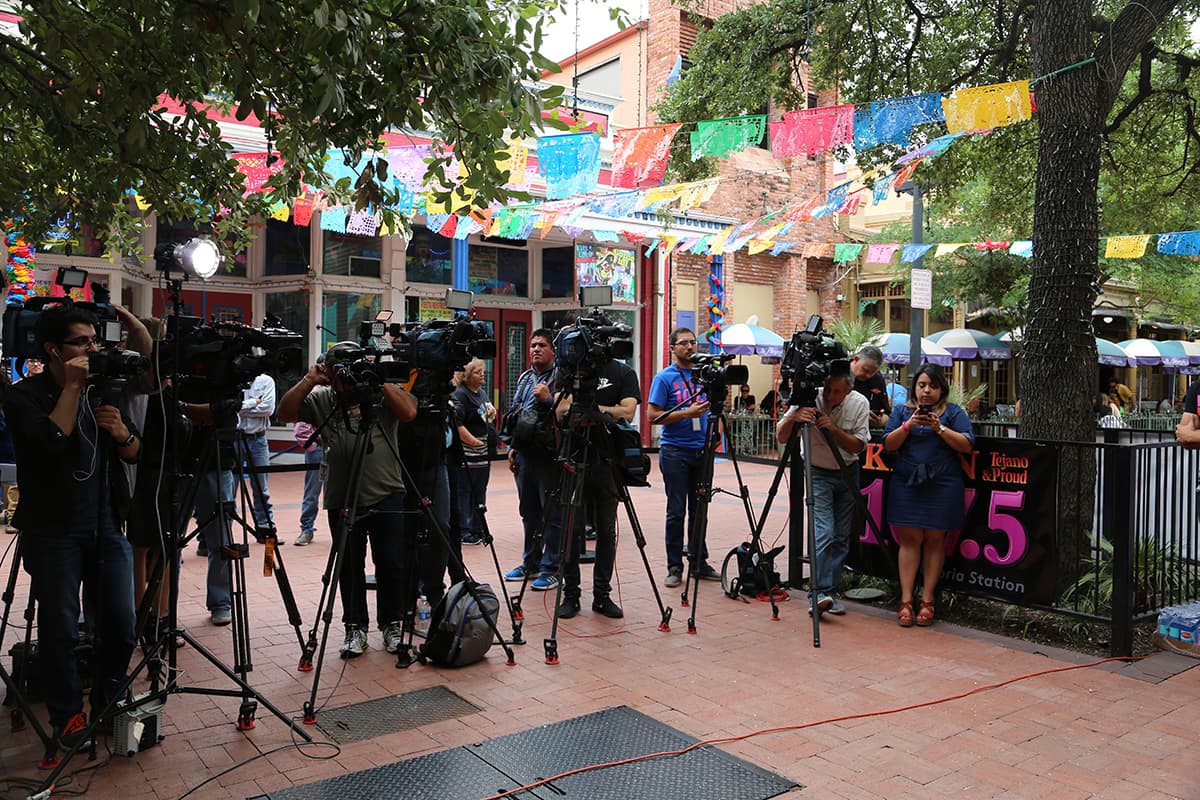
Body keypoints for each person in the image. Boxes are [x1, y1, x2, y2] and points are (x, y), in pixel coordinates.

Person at [7, 304, 141, 748]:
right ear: (53, 350)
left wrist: (122, 434)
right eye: (81, 342)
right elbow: (47, 444)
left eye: (94, 340)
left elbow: (134, 452)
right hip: (52, 530)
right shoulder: (24, 395)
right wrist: (73, 387)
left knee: (121, 621)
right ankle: (67, 716)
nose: (93, 349)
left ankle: (107, 700)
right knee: (61, 628)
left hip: (105, 523)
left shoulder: (107, 391)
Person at [277, 342, 418, 657]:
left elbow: (409, 412)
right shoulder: (324, 399)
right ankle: (355, 627)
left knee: (391, 563)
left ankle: (392, 624)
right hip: (342, 497)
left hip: (386, 492)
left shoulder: (380, 396)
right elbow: (284, 412)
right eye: (340, 372)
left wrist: (377, 377)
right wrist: (310, 379)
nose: (347, 381)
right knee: (348, 567)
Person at [882, 364, 974, 628]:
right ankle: (906, 600)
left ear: (941, 389)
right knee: (909, 539)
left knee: (935, 539)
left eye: (932, 386)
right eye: (922, 385)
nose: (926, 391)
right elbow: (888, 444)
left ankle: (928, 599)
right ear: (915, 388)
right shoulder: (901, 411)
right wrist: (909, 425)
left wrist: (939, 428)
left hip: (943, 482)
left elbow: (967, 445)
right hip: (907, 481)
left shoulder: (954, 412)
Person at [554, 356, 641, 619]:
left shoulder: (623, 372)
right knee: (571, 530)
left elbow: (628, 412)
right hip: (573, 458)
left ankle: (602, 596)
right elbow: (561, 409)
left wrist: (592, 410)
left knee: (606, 530)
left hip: (607, 461)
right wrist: (606, 411)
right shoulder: (570, 367)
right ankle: (571, 595)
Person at [775, 373, 869, 615]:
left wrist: (832, 429)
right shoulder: (809, 398)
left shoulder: (859, 403)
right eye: (827, 389)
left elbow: (858, 446)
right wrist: (794, 417)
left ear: (848, 390)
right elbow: (782, 436)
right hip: (817, 471)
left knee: (840, 536)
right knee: (824, 532)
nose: (829, 396)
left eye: (837, 391)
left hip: (847, 471)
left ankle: (829, 590)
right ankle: (817, 593)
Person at [646, 327, 721, 587]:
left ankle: (699, 562)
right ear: (672, 348)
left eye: (693, 342)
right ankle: (674, 566)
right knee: (676, 511)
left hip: (703, 451)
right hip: (675, 451)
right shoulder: (664, 378)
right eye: (684, 343)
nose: (690, 347)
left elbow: (716, 409)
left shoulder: (706, 376)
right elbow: (652, 416)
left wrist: (717, 437)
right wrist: (686, 414)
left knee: (700, 509)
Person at [503, 330, 562, 591]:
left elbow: (565, 413)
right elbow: (517, 413)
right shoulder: (526, 377)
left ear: (553, 350)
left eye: (541, 345)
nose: (536, 349)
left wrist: (548, 398)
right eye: (532, 345)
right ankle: (531, 563)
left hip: (549, 455)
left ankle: (552, 567)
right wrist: (512, 447)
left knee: (551, 513)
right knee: (529, 512)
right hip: (525, 452)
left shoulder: (560, 377)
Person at [452, 358, 494, 547]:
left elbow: (488, 415)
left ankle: (479, 528)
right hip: (468, 451)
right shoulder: (461, 394)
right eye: (477, 372)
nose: (482, 375)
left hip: (483, 451)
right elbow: (457, 423)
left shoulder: (482, 393)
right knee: (464, 491)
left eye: (482, 371)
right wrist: (472, 441)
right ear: (468, 376)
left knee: (480, 490)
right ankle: (464, 530)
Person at [238, 372, 277, 538]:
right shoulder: (233, 378)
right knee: (227, 489)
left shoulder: (265, 380)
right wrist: (254, 402)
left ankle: (266, 530)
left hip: (258, 439)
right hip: (234, 439)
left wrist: (241, 407)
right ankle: (222, 537)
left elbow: (268, 408)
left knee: (261, 488)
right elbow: (229, 409)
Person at [293, 418, 323, 546]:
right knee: (312, 491)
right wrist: (314, 443)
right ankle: (306, 529)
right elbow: (301, 426)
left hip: (338, 447)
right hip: (318, 449)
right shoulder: (312, 399)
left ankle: (341, 530)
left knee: (341, 491)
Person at [850, 345, 891, 428]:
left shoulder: (877, 380)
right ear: (856, 360)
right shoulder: (839, 372)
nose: (868, 376)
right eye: (865, 370)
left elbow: (887, 413)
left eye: (872, 373)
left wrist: (880, 422)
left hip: (868, 431)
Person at [1174, 378, 1200, 448]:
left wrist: (1193, 435)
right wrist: (1192, 437)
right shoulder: (1197, 388)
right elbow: (1184, 438)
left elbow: (1188, 436)